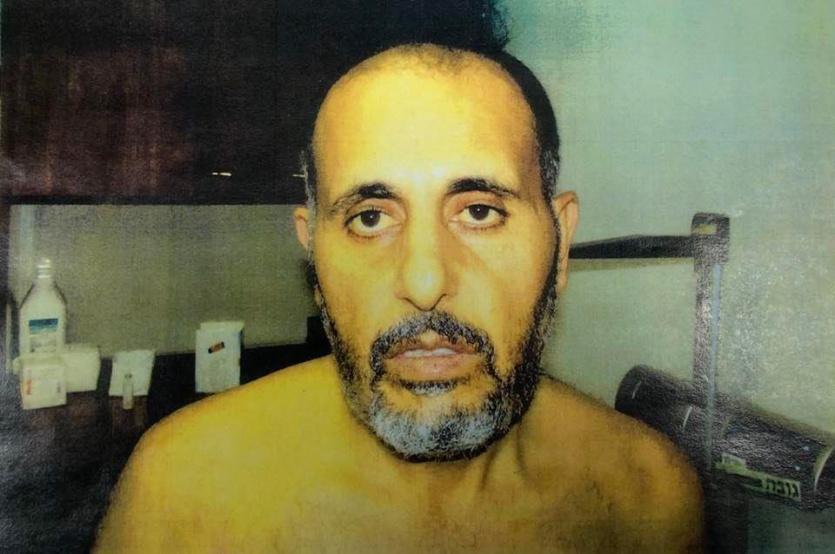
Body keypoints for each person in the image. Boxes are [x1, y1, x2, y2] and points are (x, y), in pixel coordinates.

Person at [95, 43, 704, 552]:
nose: (423, 282)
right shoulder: (183, 490)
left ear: (561, 244)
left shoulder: (647, 499)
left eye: (480, 211)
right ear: (314, 257)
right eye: (369, 218)